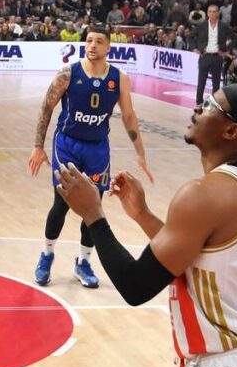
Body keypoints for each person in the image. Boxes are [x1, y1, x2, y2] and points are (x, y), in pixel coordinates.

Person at [57, 80, 237, 367]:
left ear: (232, 131)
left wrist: (93, 214)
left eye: (210, 105)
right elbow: (197, 258)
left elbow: (136, 285)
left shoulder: (204, 194)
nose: (197, 107)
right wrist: (143, 215)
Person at [28, 24, 153, 289]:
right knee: (61, 203)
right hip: (67, 144)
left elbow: (129, 116)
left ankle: (83, 262)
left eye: (98, 41)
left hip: (97, 148)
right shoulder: (68, 73)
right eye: (88, 41)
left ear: (109, 47)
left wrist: (140, 152)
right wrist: (38, 146)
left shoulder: (119, 78)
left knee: (93, 207)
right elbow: (46, 106)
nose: (92, 45)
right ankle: (47, 254)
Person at [191, 4, 234, 106]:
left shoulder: (224, 26)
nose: (212, 13)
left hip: (217, 57)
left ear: (218, 13)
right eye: (210, 11)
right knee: (201, 82)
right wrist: (195, 49)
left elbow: (234, 38)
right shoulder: (202, 25)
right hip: (204, 56)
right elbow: (190, 37)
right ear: (207, 13)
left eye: (214, 11)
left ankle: (214, 104)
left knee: (216, 83)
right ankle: (199, 103)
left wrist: (226, 51)